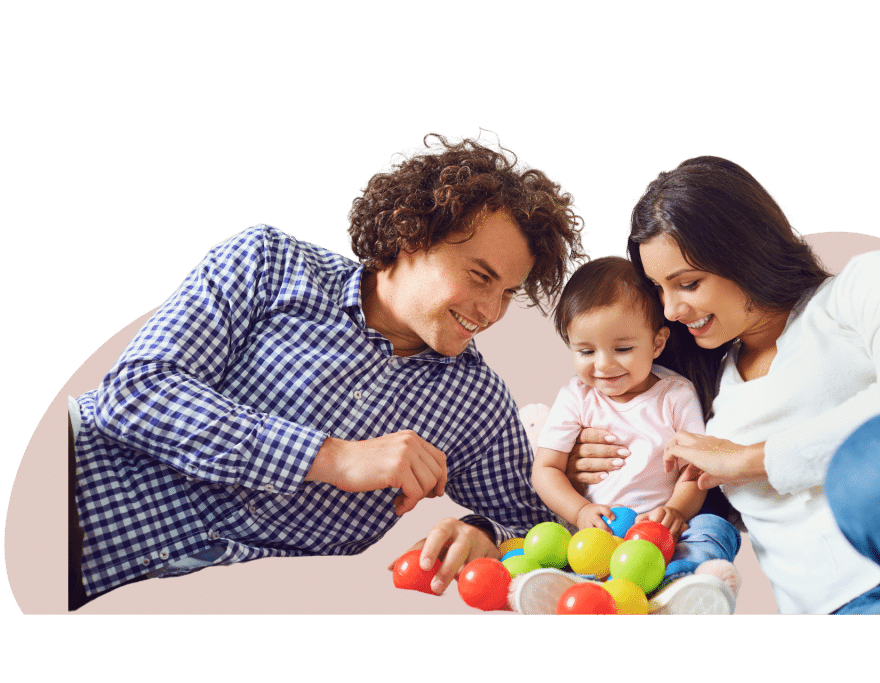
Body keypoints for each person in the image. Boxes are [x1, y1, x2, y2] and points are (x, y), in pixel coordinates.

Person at [68, 129, 588, 611]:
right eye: (479, 276)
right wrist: (330, 457)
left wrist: (482, 533)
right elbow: (134, 393)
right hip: (63, 493)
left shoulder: (477, 404)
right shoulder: (268, 263)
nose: (491, 312)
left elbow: (538, 527)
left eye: (506, 294)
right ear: (411, 233)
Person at [567, 155, 880, 614]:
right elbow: (681, 502)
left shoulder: (858, 289)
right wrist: (580, 464)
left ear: (745, 250)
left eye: (688, 283)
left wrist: (749, 459)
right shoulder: (702, 392)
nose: (671, 309)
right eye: (659, 289)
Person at [519, 255, 742, 615]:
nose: (604, 365)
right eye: (586, 351)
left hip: (664, 536)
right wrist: (581, 511)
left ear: (656, 344)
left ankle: (680, 584)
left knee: (713, 527)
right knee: (555, 539)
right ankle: (583, 589)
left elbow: (693, 468)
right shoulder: (576, 397)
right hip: (600, 531)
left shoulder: (675, 394)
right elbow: (545, 470)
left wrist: (675, 510)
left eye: (622, 349)